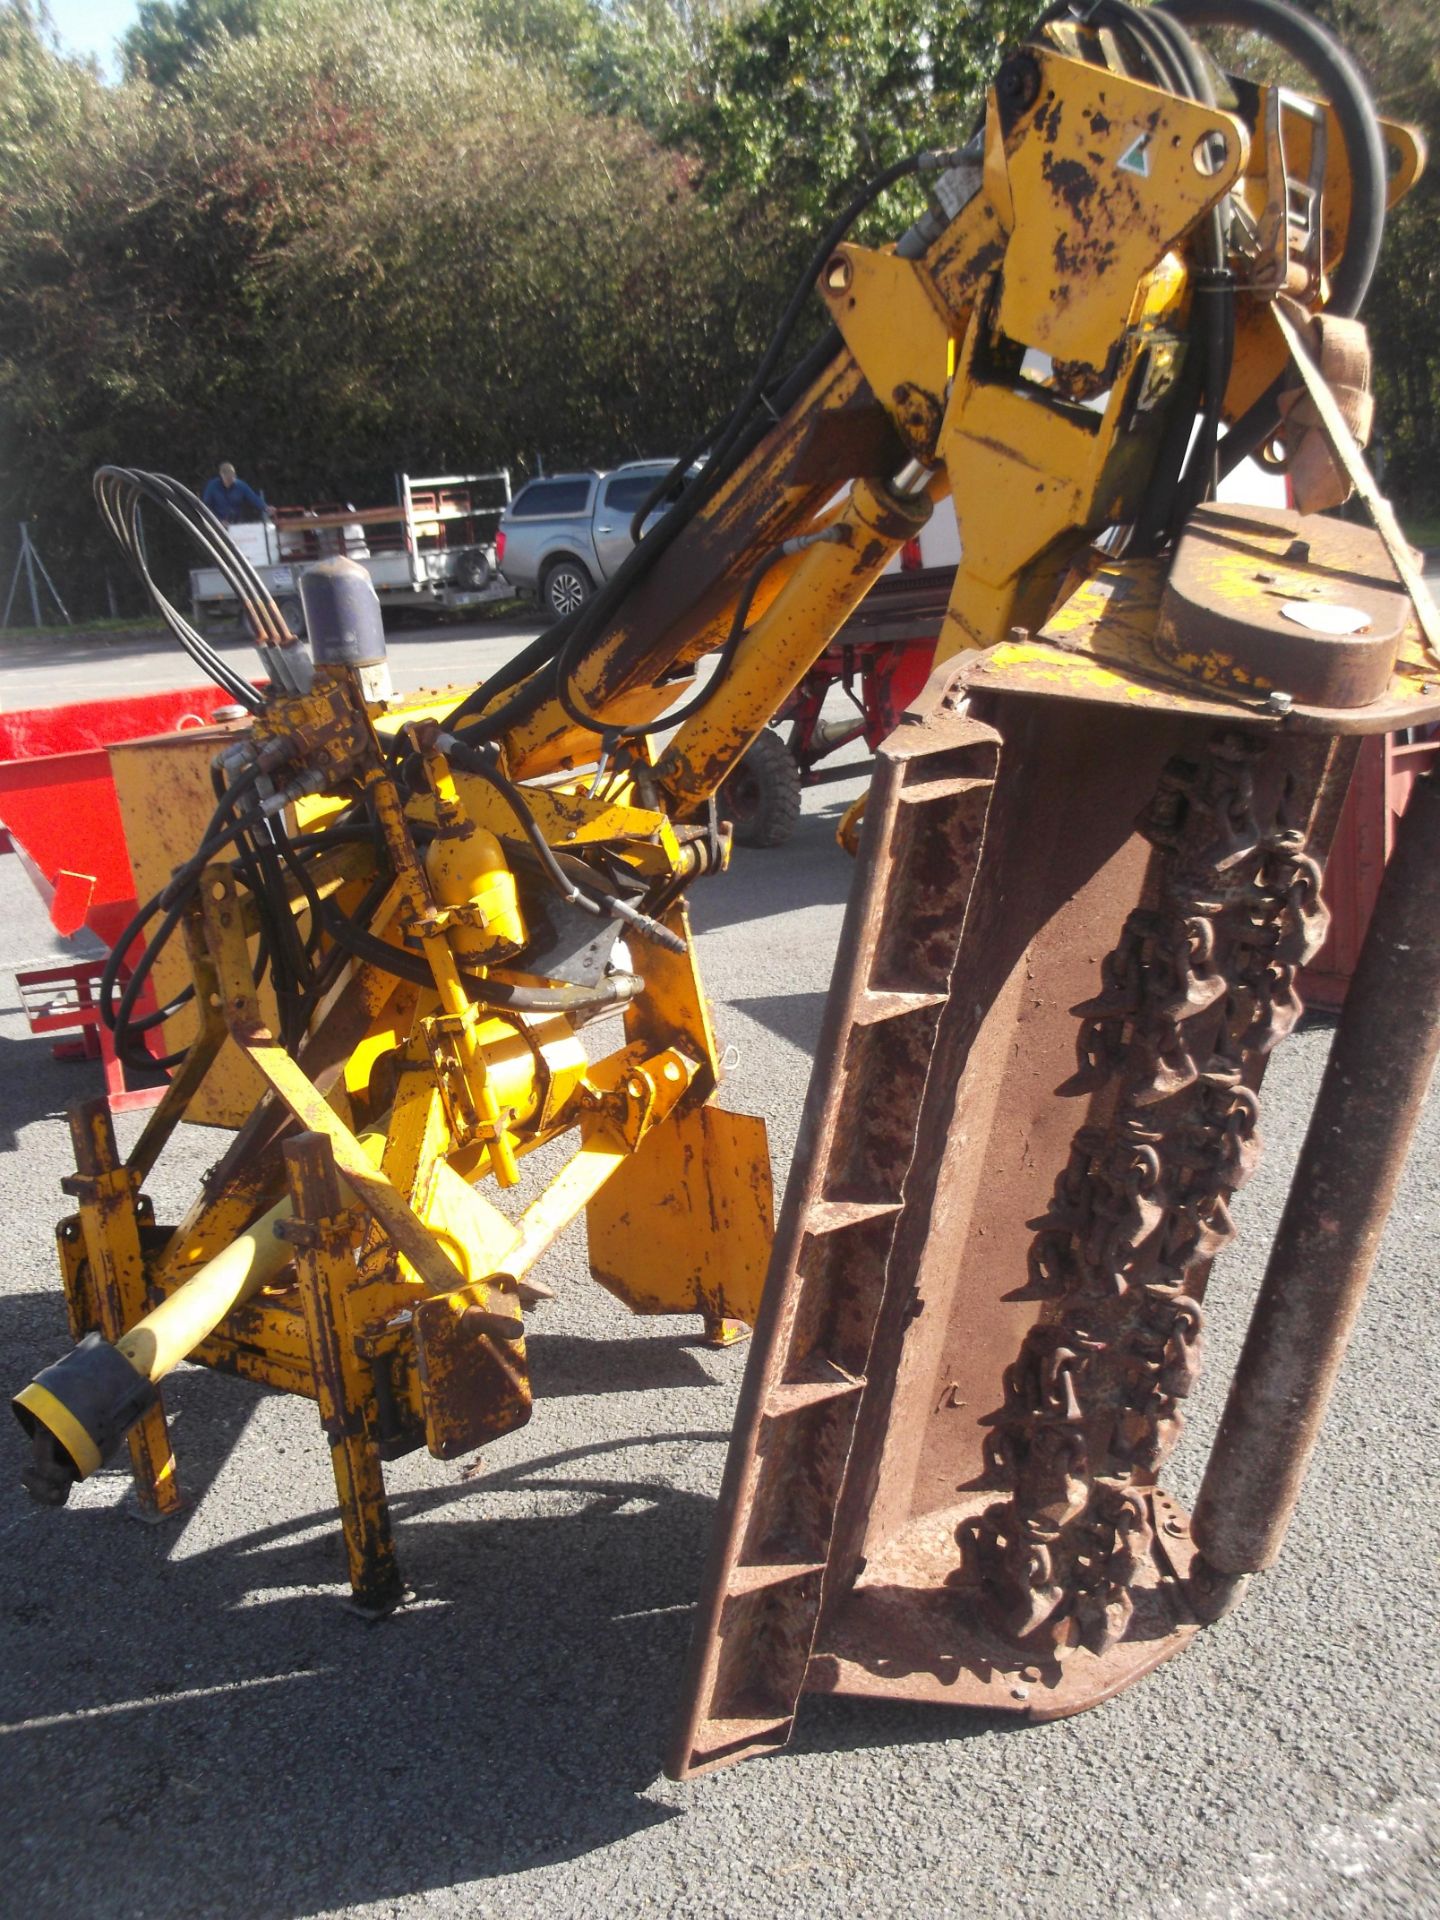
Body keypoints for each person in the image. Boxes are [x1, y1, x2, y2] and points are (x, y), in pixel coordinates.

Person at [202, 461, 267, 525]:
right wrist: (218, 520)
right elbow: (206, 507)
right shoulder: (212, 486)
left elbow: (253, 498)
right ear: (221, 475)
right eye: (227, 479)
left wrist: (265, 507)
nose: (229, 482)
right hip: (217, 523)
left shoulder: (241, 485)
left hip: (237, 522)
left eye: (232, 479)